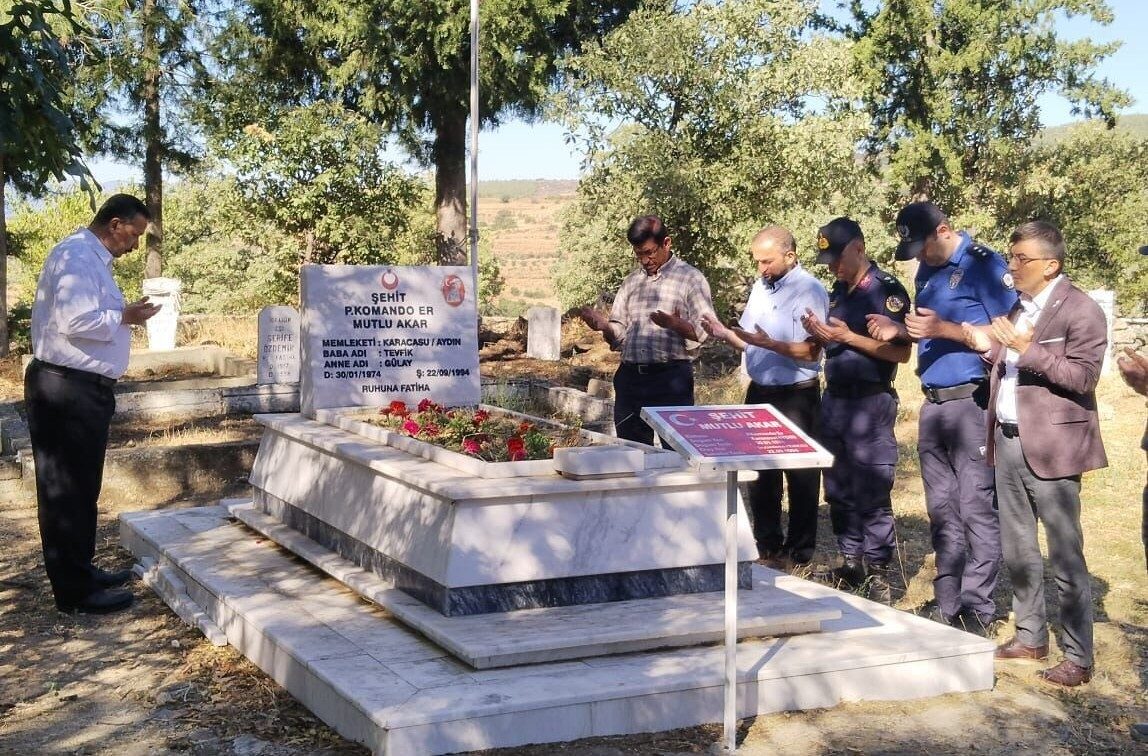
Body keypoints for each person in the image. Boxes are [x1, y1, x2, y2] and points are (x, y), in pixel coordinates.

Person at [961, 220, 1107, 687]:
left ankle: (1078, 657)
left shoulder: (1080, 310)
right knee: (1018, 547)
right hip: (1007, 438)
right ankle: (1030, 636)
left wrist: (1027, 349)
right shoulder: (1017, 305)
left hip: (1053, 445)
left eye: (1021, 259)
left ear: (1051, 265)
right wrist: (988, 348)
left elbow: (1083, 378)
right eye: (1011, 256)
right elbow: (1007, 363)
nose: (1011, 266)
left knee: (1065, 554)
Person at [867, 201, 1016, 631]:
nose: (918, 257)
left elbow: (1010, 334)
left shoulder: (983, 265)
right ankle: (947, 600)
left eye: (922, 247)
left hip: (972, 402)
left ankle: (978, 607)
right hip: (933, 403)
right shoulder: (928, 272)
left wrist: (945, 330)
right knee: (942, 508)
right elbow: (925, 329)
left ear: (944, 230)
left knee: (975, 506)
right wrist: (901, 331)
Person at [26, 193, 161, 614]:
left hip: (82, 388)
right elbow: (77, 321)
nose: (135, 244)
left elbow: (89, 312)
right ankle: (74, 593)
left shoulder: (90, 259)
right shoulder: (77, 257)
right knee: (65, 490)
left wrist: (124, 311)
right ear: (115, 224)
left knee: (83, 487)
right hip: (65, 389)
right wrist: (127, 316)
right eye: (134, 234)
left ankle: (81, 571)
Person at [699, 226, 828, 566]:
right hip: (760, 391)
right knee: (760, 474)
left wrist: (773, 344)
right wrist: (724, 334)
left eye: (767, 261)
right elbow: (750, 343)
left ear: (790, 255)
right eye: (757, 262)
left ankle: (799, 553)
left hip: (796, 395)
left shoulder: (809, 290)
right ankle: (768, 546)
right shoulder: (761, 287)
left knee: (800, 476)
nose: (762, 269)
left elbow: (811, 352)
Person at [802, 218, 911, 602]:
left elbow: (901, 351)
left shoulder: (886, 291)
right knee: (838, 486)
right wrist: (821, 335)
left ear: (859, 248)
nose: (833, 266)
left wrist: (849, 337)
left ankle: (879, 570)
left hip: (871, 400)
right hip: (835, 401)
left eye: (838, 258)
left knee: (871, 487)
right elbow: (834, 345)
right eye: (828, 260)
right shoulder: (836, 293)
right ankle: (851, 562)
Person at [579, 215, 715, 445]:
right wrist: (604, 326)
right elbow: (619, 333)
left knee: (675, 453)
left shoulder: (690, 279)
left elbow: (706, 333)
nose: (645, 260)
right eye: (639, 254)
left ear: (667, 243)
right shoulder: (632, 282)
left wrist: (674, 324)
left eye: (650, 252)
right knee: (632, 453)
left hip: (670, 380)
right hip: (631, 379)